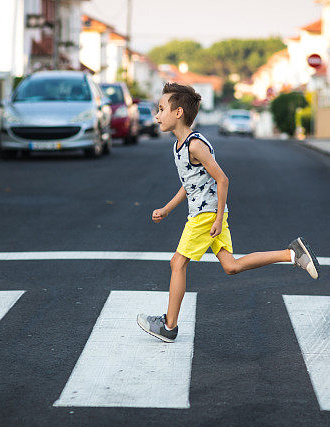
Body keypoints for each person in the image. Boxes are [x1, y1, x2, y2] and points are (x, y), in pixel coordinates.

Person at [136, 82, 319, 343]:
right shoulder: (179, 146)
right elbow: (190, 184)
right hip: (207, 215)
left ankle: (169, 325)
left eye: (161, 109)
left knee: (177, 263)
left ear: (178, 113)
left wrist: (219, 219)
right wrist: (166, 209)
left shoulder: (195, 145)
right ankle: (292, 253)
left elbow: (223, 180)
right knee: (231, 266)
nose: (156, 115)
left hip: (206, 217)